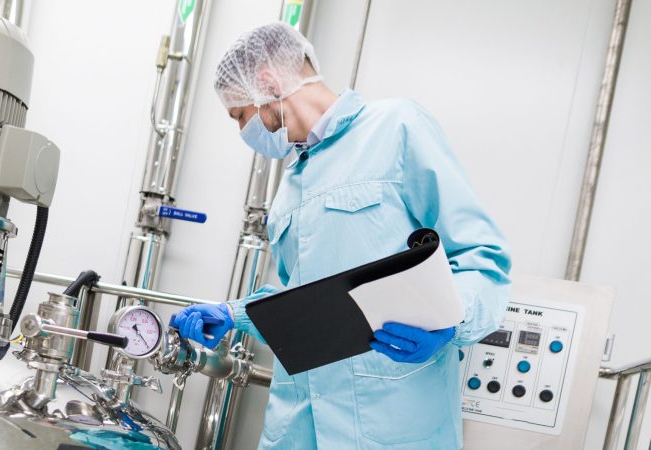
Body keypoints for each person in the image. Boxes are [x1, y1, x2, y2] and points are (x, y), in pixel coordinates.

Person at [170, 22, 511, 450]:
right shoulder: (290, 187)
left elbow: (483, 256)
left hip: (390, 428)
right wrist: (232, 314)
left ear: (267, 84)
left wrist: (452, 322)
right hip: (297, 430)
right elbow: (305, 304)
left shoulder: (397, 128)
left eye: (240, 115)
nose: (243, 131)